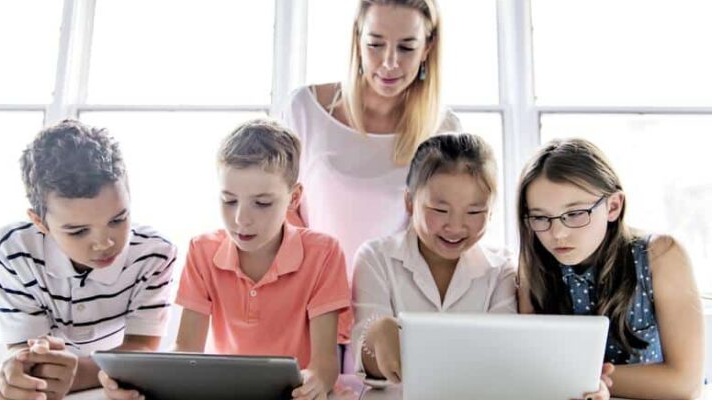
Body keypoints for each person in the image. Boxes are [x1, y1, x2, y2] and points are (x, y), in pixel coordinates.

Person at [98, 119, 352, 400]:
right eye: (229, 201)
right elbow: (186, 350)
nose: (241, 219)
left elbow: (326, 365)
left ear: (294, 198)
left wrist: (314, 381)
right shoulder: (202, 250)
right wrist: (139, 379)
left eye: (262, 203)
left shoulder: (323, 253)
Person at [0, 120, 177, 400]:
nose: (105, 243)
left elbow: (141, 350)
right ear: (39, 222)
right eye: (78, 231)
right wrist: (23, 372)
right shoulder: (13, 249)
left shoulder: (155, 254)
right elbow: (25, 354)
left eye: (118, 219)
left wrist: (73, 373)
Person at [281, 0, 462, 276]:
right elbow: (279, 210)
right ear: (357, 39)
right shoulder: (305, 109)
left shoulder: (443, 129)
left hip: (396, 301)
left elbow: (443, 234)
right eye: (375, 44)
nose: (389, 63)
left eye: (407, 47)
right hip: (312, 293)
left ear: (427, 47)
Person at [517, 138, 705, 399]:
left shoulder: (660, 255)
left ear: (613, 207)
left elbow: (685, 384)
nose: (557, 233)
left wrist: (588, 378)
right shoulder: (535, 266)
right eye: (540, 217)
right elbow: (531, 369)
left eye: (574, 214)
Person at [352, 133, 516, 384]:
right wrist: (376, 337)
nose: (455, 226)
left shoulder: (502, 267)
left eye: (475, 211)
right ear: (409, 202)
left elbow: (502, 354)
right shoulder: (376, 258)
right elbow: (368, 367)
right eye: (439, 210)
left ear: (491, 211)